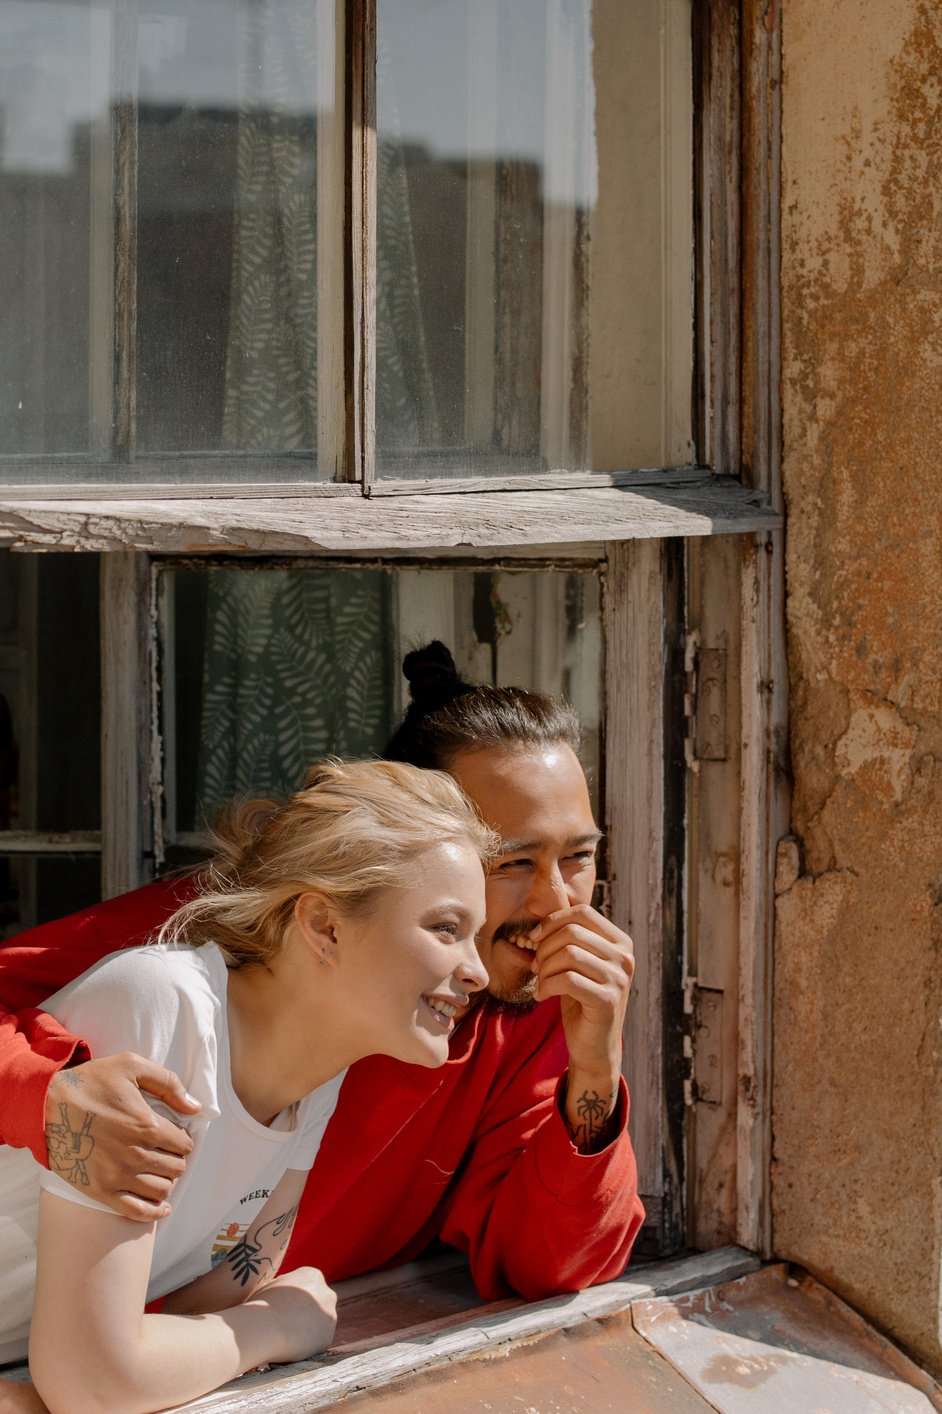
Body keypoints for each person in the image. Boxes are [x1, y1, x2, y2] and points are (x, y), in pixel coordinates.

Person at [0, 643, 643, 1310]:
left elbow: (550, 1265)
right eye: (512, 863)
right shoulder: (226, 926)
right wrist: (50, 1097)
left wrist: (595, 1067)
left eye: (578, 856)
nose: (559, 904)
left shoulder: (535, 1009)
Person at [0, 760, 491, 1413]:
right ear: (322, 925)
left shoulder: (314, 1078)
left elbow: (203, 1307)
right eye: (446, 929)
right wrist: (278, 1327)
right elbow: (95, 1380)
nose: (478, 971)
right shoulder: (163, 1005)